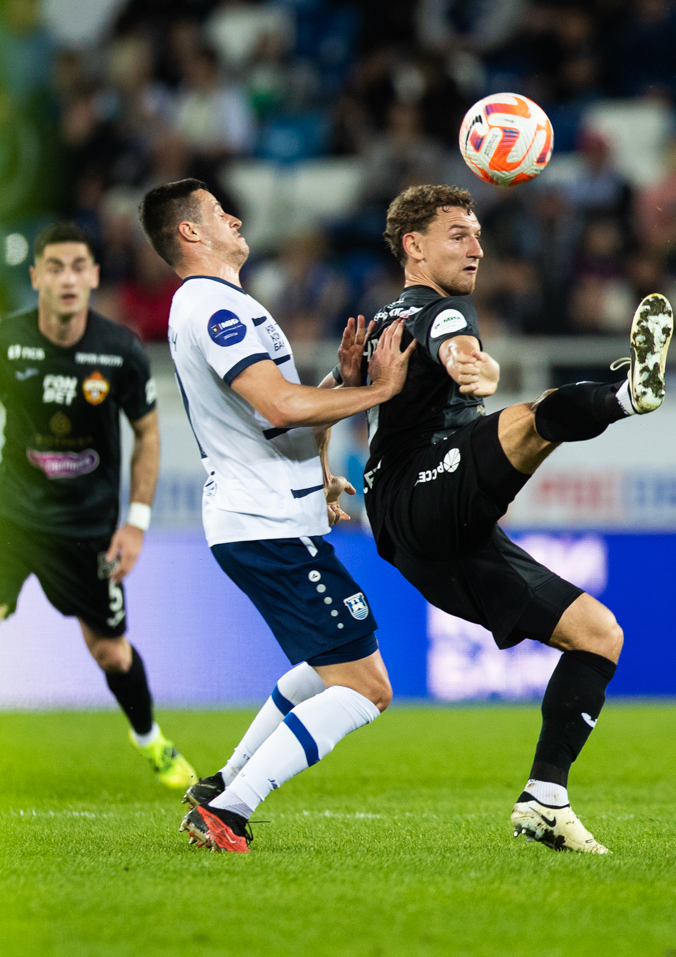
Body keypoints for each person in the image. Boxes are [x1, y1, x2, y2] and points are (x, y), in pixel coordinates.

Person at [337, 184, 673, 853]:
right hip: (419, 498)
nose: (477, 248)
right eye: (458, 234)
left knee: (598, 635)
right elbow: (454, 347)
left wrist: (320, 470)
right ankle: (627, 395)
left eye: (478, 235)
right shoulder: (435, 310)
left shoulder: (378, 323)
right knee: (535, 416)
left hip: (428, 539)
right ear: (414, 246)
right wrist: (472, 365)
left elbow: (331, 394)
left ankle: (546, 798)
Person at [137, 178, 414, 853]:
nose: (235, 217)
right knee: (366, 687)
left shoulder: (222, 302)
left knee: (332, 662)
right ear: (190, 233)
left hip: (269, 518)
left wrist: (339, 389)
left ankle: (222, 785)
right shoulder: (212, 307)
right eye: (217, 212)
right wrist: (380, 390)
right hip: (265, 524)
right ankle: (229, 810)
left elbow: (275, 417)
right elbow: (280, 406)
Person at [0, 222, 196, 794]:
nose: (67, 278)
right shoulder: (2, 340)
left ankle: (150, 739)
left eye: (78, 267)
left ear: (94, 276)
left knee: (110, 652)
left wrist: (135, 524)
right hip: (10, 514)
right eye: (55, 267)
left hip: (87, 526)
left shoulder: (120, 350)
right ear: (36, 277)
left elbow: (148, 434)